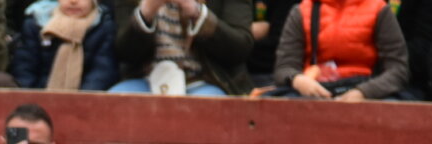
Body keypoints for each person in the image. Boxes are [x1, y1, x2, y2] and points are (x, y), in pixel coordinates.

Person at [270, 0, 410, 101]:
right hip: (313, 91)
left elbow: (398, 70)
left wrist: (363, 92)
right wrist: (299, 80)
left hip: (366, 91)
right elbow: (284, 68)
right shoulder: (302, 11)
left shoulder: (379, 9)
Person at [110, 0, 254, 95]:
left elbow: (240, 50)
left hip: (206, 81)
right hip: (145, 80)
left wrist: (197, 13)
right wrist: (145, 13)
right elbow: (123, 53)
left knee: (207, 114)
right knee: (109, 108)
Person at [9, 0, 119, 90]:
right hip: (39, 94)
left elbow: (102, 70)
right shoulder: (35, 24)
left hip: (85, 98)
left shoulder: (104, 26)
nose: (73, 2)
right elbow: (25, 67)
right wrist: (31, 97)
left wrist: (81, 99)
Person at [245, 0, 298, 86]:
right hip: (230, 71)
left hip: (268, 73)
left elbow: (278, 49)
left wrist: (241, 35)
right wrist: (246, 31)